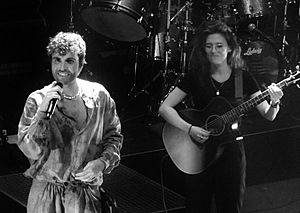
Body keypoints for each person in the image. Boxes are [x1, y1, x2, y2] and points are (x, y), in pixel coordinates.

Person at [158, 20, 283, 213]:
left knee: (230, 206)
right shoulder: (195, 76)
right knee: (197, 207)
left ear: (230, 48)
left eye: (219, 46)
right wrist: (189, 128)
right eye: (209, 46)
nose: (213, 50)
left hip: (231, 152)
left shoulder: (244, 78)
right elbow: (164, 108)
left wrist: (275, 101)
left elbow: (269, 115)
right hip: (198, 153)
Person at [16, 32, 123, 213]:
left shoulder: (99, 95)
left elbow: (114, 136)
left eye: (69, 60)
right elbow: (31, 151)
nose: (62, 67)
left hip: (86, 196)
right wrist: (41, 115)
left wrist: (103, 163)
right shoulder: (37, 99)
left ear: (81, 64)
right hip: (46, 196)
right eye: (57, 60)